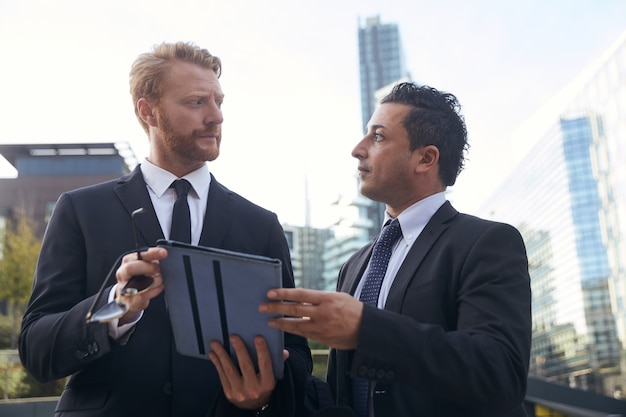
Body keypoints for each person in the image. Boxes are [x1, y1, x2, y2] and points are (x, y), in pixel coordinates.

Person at [18, 41, 312, 417]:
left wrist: (263, 394)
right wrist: (116, 306)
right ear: (148, 111)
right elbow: (36, 350)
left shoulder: (261, 225)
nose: (216, 116)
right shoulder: (81, 209)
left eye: (219, 102)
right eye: (196, 102)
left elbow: (296, 351)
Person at [260, 83, 532, 416]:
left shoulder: (487, 242)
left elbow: (499, 373)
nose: (358, 149)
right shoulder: (354, 265)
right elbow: (339, 395)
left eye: (378, 137)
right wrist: (270, 387)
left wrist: (365, 329)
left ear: (425, 158)